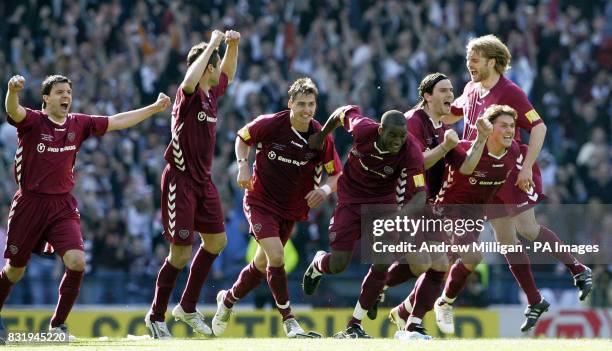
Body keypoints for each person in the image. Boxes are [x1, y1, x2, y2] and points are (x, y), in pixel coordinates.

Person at [437, 34, 591, 333]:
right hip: (483, 173)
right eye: (469, 59)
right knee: (507, 240)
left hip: (510, 169)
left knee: (527, 230)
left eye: (475, 59)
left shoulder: (510, 92)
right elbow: (448, 116)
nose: (469, 65)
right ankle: (535, 299)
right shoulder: (470, 89)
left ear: (492, 61)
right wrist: (423, 110)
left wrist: (527, 167)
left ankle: (577, 268)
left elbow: (539, 127)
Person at [0, 74, 170, 342]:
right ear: (46, 98)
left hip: (62, 205)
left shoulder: (78, 123)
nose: (66, 96)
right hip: (29, 204)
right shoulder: (33, 122)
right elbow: (13, 110)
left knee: (77, 262)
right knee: (15, 270)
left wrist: (153, 108)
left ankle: (57, 326)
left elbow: (116, 122)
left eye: (68, 92)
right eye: (59, 92)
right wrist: (12, 91)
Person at [210, 77, 342, 338]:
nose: (307, 109)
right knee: (277, 256)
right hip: (259, 200)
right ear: (290, 103)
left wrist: (324, 190)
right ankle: (289, 320)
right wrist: (243, 164)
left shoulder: (320, 137)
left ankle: (227, 300)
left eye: (312, 104)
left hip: (290, 209)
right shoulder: (270, 124)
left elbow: (336, 175)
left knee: (261, 264)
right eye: (302, 103)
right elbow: (243, 137)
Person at [145, 29, 240, 339]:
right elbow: (187, 81)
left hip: (203, 182)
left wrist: (233, 45)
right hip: (180, 181)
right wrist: (213, 43)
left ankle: (186, 307)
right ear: (206, 68)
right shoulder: (187, 97)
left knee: (216, 242)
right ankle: (156, 317)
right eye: (214, 65)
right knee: (180, 255)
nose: (219, 73)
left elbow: (227, 71)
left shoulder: (212, 93)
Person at [302, 105, 428, 338]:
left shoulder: (411, 150)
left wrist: (398, 217)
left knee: (381, 262)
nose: (397, 140)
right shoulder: (362, 128)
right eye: (393, 135)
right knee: (339, 264)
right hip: (350, 199)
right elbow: (343, 112)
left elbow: (421, 194)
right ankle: (319, 264)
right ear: (380, 130)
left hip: (383, 204)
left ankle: (354, 324)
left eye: (402, 135)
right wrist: (322, 134)